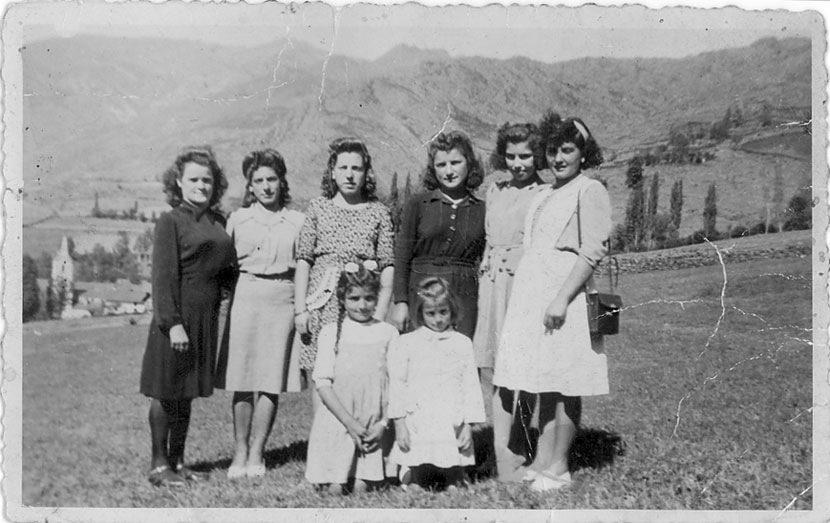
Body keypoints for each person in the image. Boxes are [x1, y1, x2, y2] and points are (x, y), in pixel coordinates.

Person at [493, 116, 611, 491]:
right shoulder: (545, 194)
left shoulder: (589, 191)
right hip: (535, 295)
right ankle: (543, 459)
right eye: (552, 150)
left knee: (566, 382)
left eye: (568, 149)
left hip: (566, 295)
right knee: (544, 380)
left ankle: (559, 465)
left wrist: (561, 298)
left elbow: (592, 250)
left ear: (583, 153)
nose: (558, 157)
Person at [139, 146, 238, 487]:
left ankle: (179, 462)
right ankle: (157, 465)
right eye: (194, 179)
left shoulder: (218, 221)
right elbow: (162, 277)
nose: (201, 185)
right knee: (167, 391)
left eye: (208, 180)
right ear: (178, 183)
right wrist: (173, 324)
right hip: (177, 320)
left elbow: (225, 269)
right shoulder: (171, 221)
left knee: (187, 392)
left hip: (205, 318)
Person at [215, 149, 305, 479]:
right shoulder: (238, 220)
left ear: (282, 182)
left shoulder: (297, 221)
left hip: (282, 298)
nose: (266, 186)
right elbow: (223, 266)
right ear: (250, 186)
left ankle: (257, 451)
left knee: (270, 380)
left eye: (272, 179)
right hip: (246, 298)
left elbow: (304, 268)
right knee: (242, 379)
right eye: (259, 181)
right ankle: (239, 451)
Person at [294, 138, 395, 411]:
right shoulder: (317, 207)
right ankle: (322, 444)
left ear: (367, 173)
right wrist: (300, 309)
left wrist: (379, 314)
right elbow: (303, 260)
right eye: (343, 167)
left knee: (356, 370)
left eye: (357, 168)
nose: (350, 174)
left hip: (361, 302)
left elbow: (388, 265)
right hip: (322, 304)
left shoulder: (379, 212)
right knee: (322, 373)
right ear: (332, 171)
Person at [305, 262, 399, 494]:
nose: (362, 305)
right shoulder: (331, 332)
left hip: (374, 422)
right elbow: (323, 384)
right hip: (340, 420)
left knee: (361, 488)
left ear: (377, 297)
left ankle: (366, 473)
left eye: (369, 298)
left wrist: (383, 423)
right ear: (342, 299)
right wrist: (349, 422)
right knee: (336, 488)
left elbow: (397, 383)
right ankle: (335, 474)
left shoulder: (388, 332)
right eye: (354, 298)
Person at [388, 277, 486, 490]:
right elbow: (397, 384)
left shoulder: (462, 343)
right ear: (420, 314)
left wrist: (469, 425)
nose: (438, 319)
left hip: (451, 412)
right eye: (430, 314)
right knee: (419, 454)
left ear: (452, 310)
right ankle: (416, 476)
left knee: (452, 455)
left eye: (443, 312)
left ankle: (454, 477)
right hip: (419, 413)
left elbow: (471, 385)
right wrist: (400, 423)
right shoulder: (407, 343)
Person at [391, 130, 486, 338]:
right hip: (421, 293)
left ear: (469, 164)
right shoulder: (418, 204)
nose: (449, 171)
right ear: (433, 169)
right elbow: (402, 256)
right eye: (441, 165)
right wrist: (401, 302)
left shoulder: (482, 209)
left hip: (464, 297)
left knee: (458, 356)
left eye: (456, 162)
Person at [473, 121, 550, 373]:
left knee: (522, 361)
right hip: (492, 282)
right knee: (495, 363)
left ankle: (522, 413)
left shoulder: (545, 193)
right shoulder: (496, 190)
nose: (517, 164)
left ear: (537, 155)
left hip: (522, 281)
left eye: (525, 156)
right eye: (511, 156)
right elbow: (489, 236)